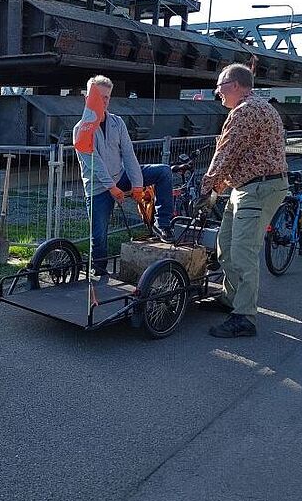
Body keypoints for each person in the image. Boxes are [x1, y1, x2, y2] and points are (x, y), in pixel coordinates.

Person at [195, 63, 288, 338]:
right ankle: (230, 298)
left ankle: (245, 316)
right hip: (246, 186)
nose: (217, 92)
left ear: (235, 85)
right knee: (225, 245)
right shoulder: (258, 107)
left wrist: (206, 189)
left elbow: (226, 154)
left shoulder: (246, 111)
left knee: (243, 252)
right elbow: (241, 158)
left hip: (258, 188)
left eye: (220, 86)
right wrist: (217, 191)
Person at [73, 75, 175, 274]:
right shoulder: (81, 130)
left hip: (120, 177)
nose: (103, 101)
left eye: (107, 97)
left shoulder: (117, 123)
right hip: (98, 188)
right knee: (99, 236)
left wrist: (137, 185)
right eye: (99, 97)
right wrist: (112, 188)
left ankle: (163, 224)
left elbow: (128, 154)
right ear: (87, 99)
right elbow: (95, 164)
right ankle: (99, 271)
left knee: (163, 171)